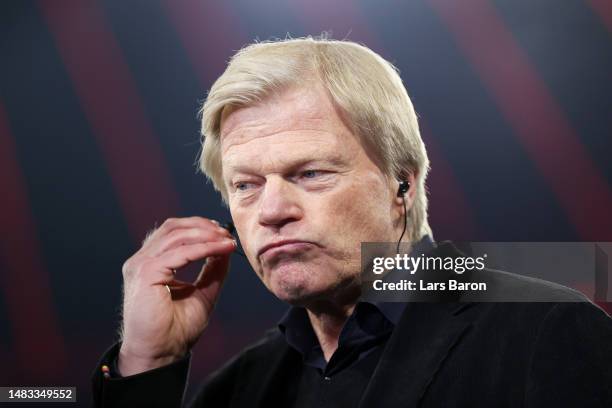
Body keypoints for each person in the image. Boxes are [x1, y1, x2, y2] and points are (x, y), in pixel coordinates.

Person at [92, 37, 612, 407]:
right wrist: (148, 364)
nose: (271, 211)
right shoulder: (241, 387)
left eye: (311, 173)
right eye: (245, 186)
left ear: (399, 184)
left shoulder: (547, 329)